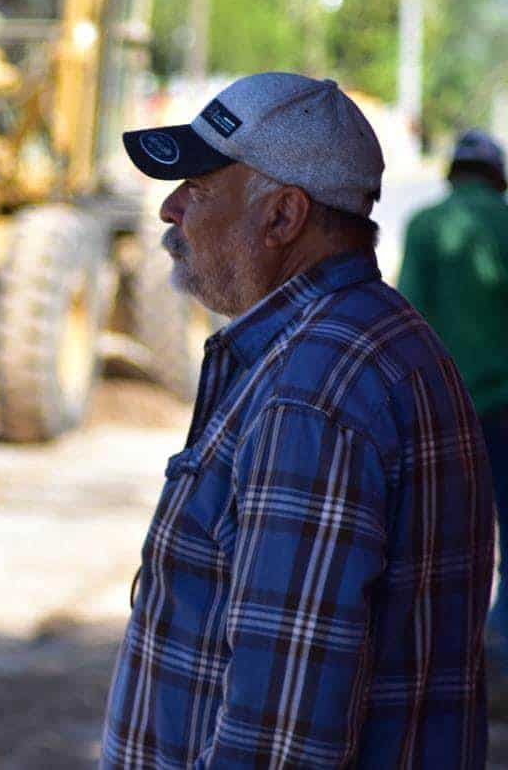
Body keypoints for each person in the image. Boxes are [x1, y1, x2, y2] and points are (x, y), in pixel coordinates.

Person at [103, 73, 494, 768]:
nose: (170, 210)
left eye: (198, 189)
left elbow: (279, 743)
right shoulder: (365, 343)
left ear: (283, 218)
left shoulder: (312, 395)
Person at [398, 129, 508, 658]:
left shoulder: (425, 226)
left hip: (441, 411)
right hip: (504, 409)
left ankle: (444, 654)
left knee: (438, 542)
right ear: (497, 175)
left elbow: (408, 313)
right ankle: (502, 650)